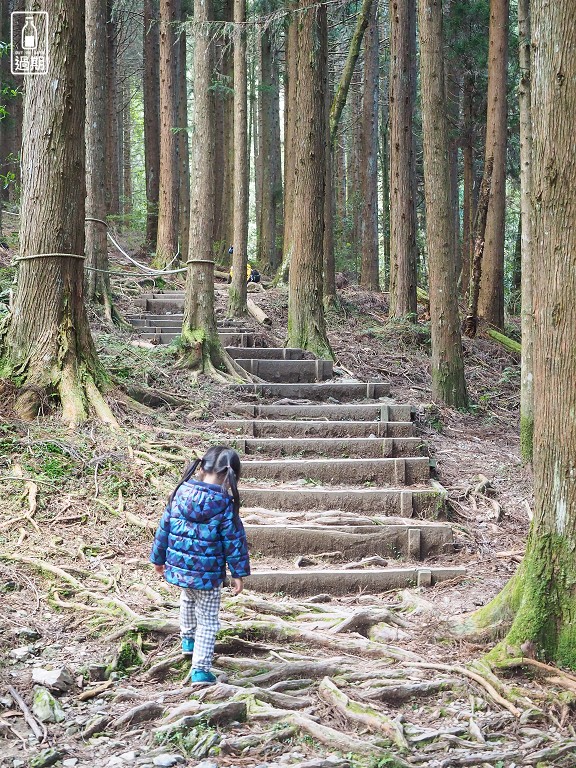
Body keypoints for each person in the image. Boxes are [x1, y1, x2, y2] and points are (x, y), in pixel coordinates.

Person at [150, 446, 250, 683]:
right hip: (208, 576)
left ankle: (188, 640)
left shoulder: (181, 492)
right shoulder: (224, 503)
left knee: (187, 599)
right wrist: (238, 573)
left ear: (202, 468)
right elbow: (234, 541)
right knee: (208, 622)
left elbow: (164, 527)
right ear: (229, 475)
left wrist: (158, 558)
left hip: (180, 569)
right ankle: (201, 670)